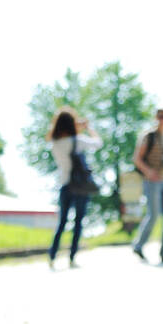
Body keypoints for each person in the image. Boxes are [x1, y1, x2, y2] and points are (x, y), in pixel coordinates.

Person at [47, 108, 102, 269]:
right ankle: (72, 257)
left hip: (65, 185)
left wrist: (74, 126)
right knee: (78, 222)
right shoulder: (78, 140)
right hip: (81, 186)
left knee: (62, 223)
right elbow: (98, 143)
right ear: (72, 124)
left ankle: (52, 255)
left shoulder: (55, 144)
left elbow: (54, 135)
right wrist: (88, 128)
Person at [132, 109, 163, 263]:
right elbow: (137, 158)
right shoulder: (148, 137)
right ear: (156, 118)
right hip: (152, 182)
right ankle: (138, 245)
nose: (162, 119)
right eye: (159, 116)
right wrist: (149, 172)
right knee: (154, 215)